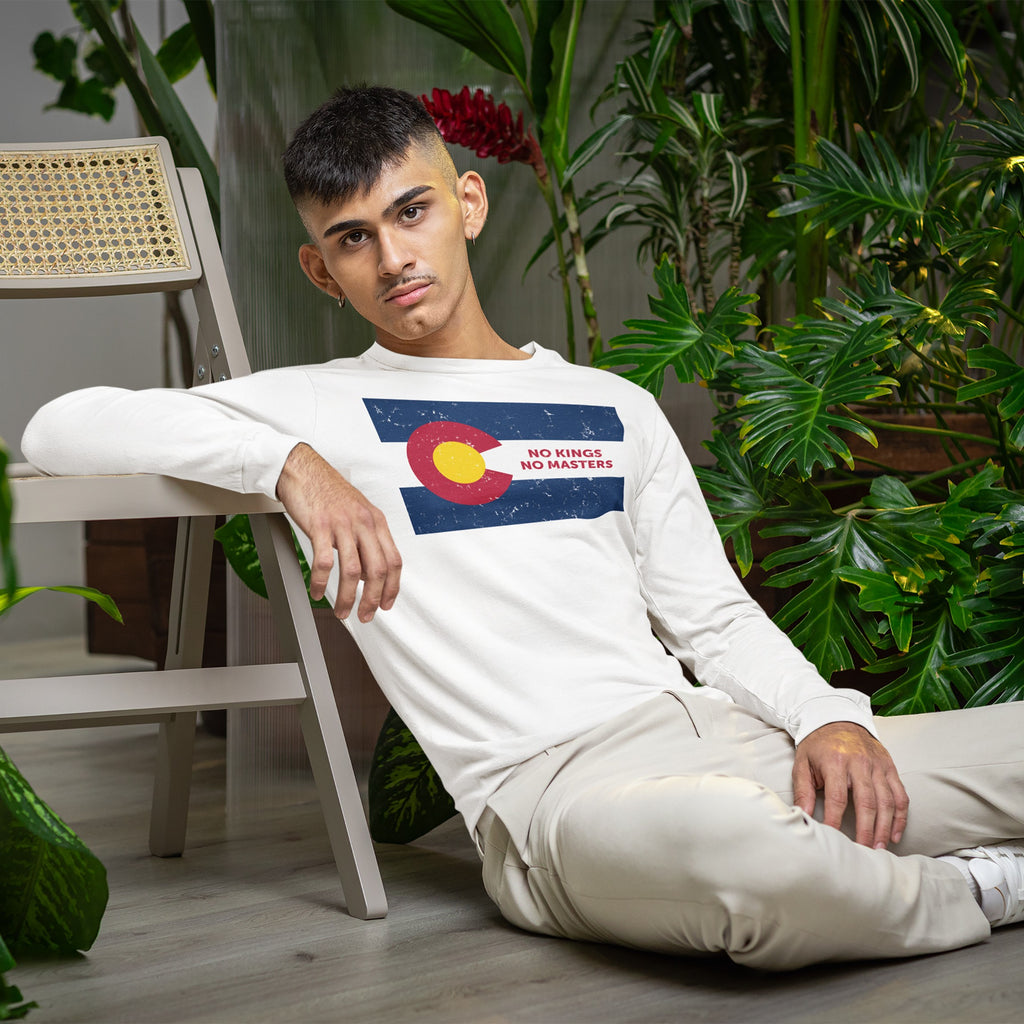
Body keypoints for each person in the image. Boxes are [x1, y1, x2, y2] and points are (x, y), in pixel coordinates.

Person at [22, 86, 1024, 970]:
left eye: (410, 210)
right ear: (321, 272)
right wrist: (288, 466)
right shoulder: (316, 409)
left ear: (466, 203)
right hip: (562, 805)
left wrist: (823, 718)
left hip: (729, 739)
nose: (392, 255)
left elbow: (710, 616)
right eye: (353, 237)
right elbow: (59, 425)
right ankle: (972, 889)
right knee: (739, 853)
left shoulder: (610, 404)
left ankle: (859, 865)